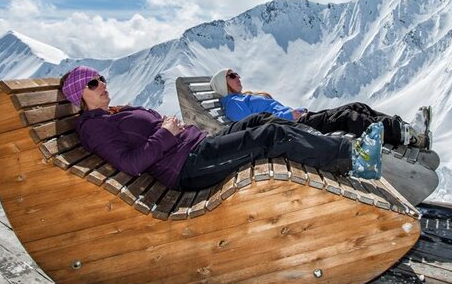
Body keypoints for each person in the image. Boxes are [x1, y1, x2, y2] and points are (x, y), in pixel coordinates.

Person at [61, 66, 383, 192]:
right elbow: (130, 163)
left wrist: (175, 131)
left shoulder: (113, 112)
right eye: (93, 83)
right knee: (271, 136)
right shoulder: (93, 127)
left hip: (198, 145)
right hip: (187, 166)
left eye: (102, 78)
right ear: (79, 94)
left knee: (261, 121)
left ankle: (328, 150)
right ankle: (355, 159)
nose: (102, 84)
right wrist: (167, 133)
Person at [209, 68, 432, 149]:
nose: (238, 77)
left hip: (295, 119)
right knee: (348, 117)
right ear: (222, 84)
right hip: (291, 127)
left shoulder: (242, 97)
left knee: (357, 106)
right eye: (232, 76)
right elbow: (256, 121)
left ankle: (405, 129)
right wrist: (290, 115)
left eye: (237, 74)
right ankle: (407, 136)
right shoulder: (232, 104)